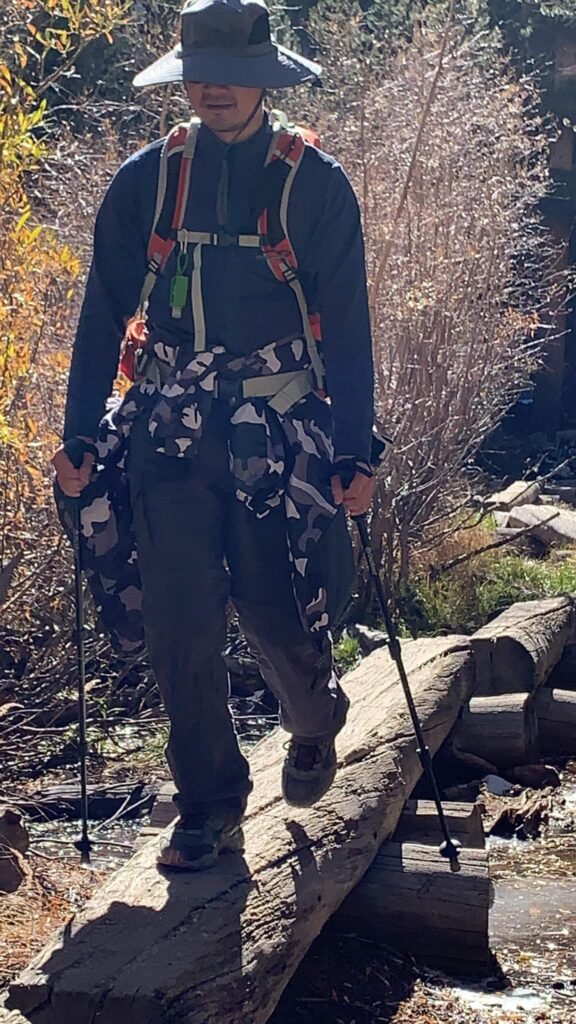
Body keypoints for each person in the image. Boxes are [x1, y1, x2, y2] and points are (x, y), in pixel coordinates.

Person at [52, 0, 375, 872]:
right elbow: (100, 314)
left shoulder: (315, 184)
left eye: (230, 73)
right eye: (198, 73)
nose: (213, 89)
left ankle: (314, 722)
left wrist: (357, 447)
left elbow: (347, 327)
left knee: (275, 604)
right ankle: (208, 802)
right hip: (166, 431)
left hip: (279, 433)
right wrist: (80, 433)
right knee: (180, 621)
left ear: (266, 79)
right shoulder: (144, 181)